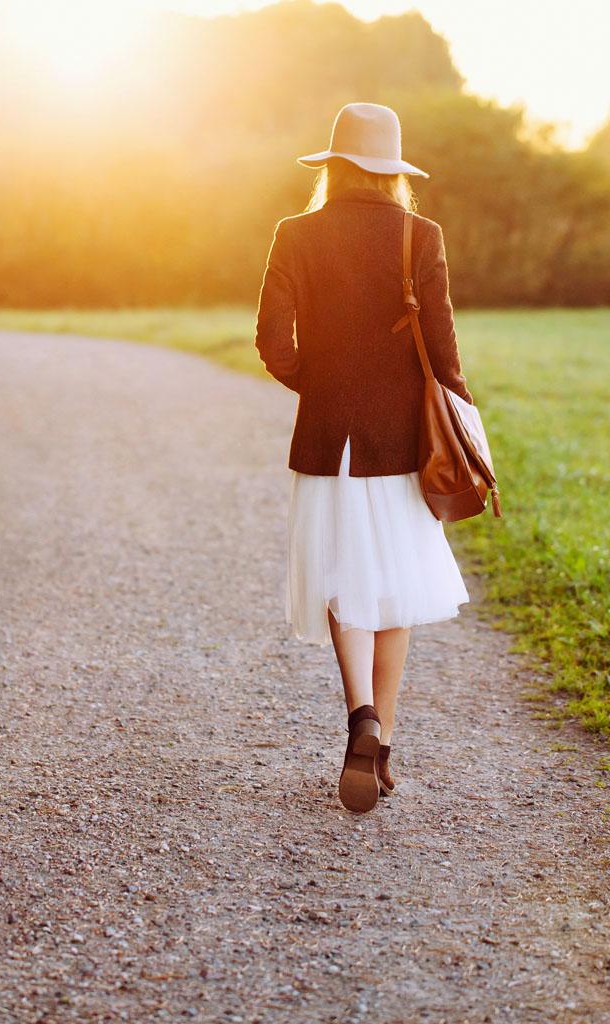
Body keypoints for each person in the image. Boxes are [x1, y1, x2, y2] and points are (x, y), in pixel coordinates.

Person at [254, 102, 474, 814]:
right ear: (393, 171)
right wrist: (464, 419)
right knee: (396, 591)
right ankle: (385, 747)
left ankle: (361, 721)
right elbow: (442, 351)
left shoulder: (294, 234)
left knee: (344, 583)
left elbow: (272, 342)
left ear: (334, 164)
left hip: (327, 441)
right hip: (401, 443)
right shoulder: (421, 235)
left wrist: (317, 387)